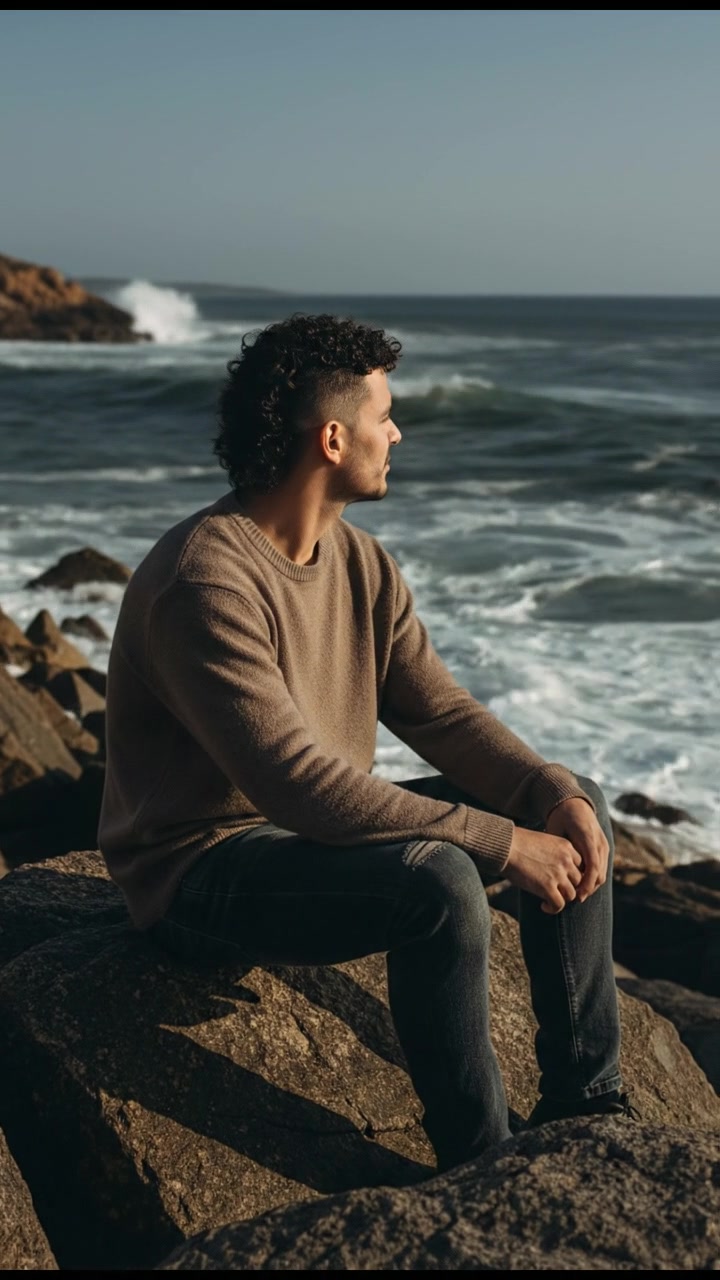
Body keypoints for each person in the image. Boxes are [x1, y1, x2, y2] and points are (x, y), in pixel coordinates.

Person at [98, 313, 630, 1173]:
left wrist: (546, 793)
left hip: (306, 842)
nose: (399, 433)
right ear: (334, 438)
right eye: (386, 416)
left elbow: (440, 714)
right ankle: (482, 1164)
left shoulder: (360, 562)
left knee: (574, 803)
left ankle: (588, 1100)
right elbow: (297, 784)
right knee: (441, 881)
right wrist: (501, 844)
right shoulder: (205, 580)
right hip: (201, 869)